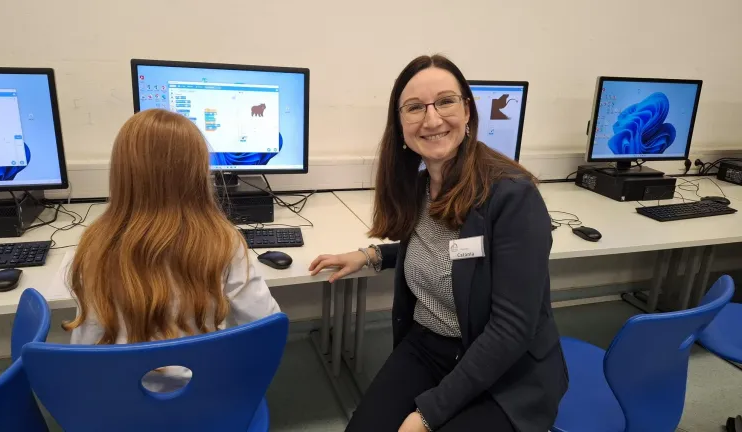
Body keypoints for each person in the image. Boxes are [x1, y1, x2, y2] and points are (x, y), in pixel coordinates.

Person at [310, 55, 567, 432]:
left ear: (467, 111)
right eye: (415, 108)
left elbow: (511, 329)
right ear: (400, 125)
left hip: (506, 370)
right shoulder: (418, 188)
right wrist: (370, 256)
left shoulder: (512, 197)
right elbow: (447, 254)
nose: (431, 120)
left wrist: (427, 415)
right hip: (431, 347)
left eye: (445, 101)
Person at [62, 109, 280, 391]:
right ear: (199, 172)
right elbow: (268, 324)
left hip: (117, 406)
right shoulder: (223, 242)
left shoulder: (94, 245)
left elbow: (85, 348)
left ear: (121, 172)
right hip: (207, 401)